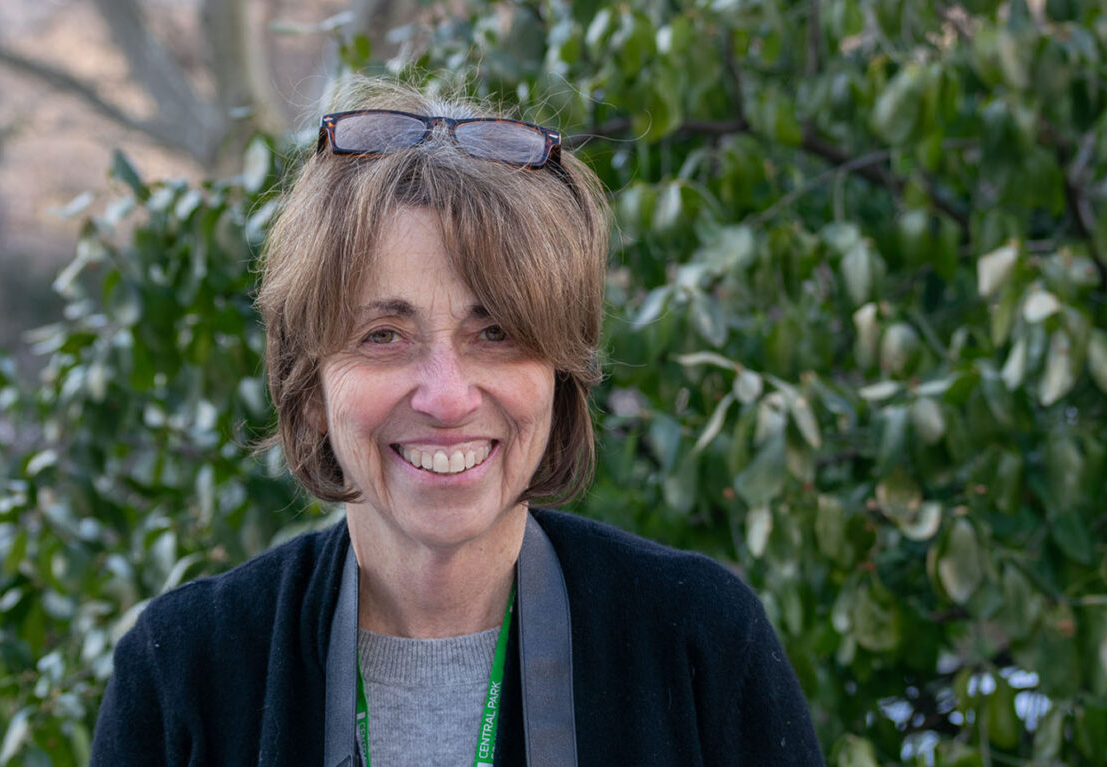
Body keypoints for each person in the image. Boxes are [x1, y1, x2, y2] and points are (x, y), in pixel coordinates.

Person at [89, 76, 823, 766]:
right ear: (308, 383)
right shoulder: (183, 670)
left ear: (560, 374)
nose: (447, 398)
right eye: (383, 335)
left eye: (496, 332)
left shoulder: (700, 643)